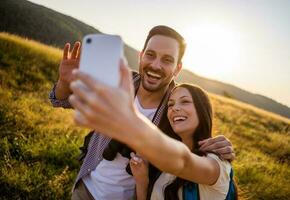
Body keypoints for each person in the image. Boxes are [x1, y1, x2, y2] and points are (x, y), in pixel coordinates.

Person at [49, 25, 235, 200]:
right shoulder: (118, 81)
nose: (155, 65)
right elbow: (61, 100)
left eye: (167, 60)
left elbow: (188, 153)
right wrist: (65, 82)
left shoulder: (174, 109)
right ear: (141, 56)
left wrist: (219, 146)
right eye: (150, 55)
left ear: (178, 68)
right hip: (86, 187)